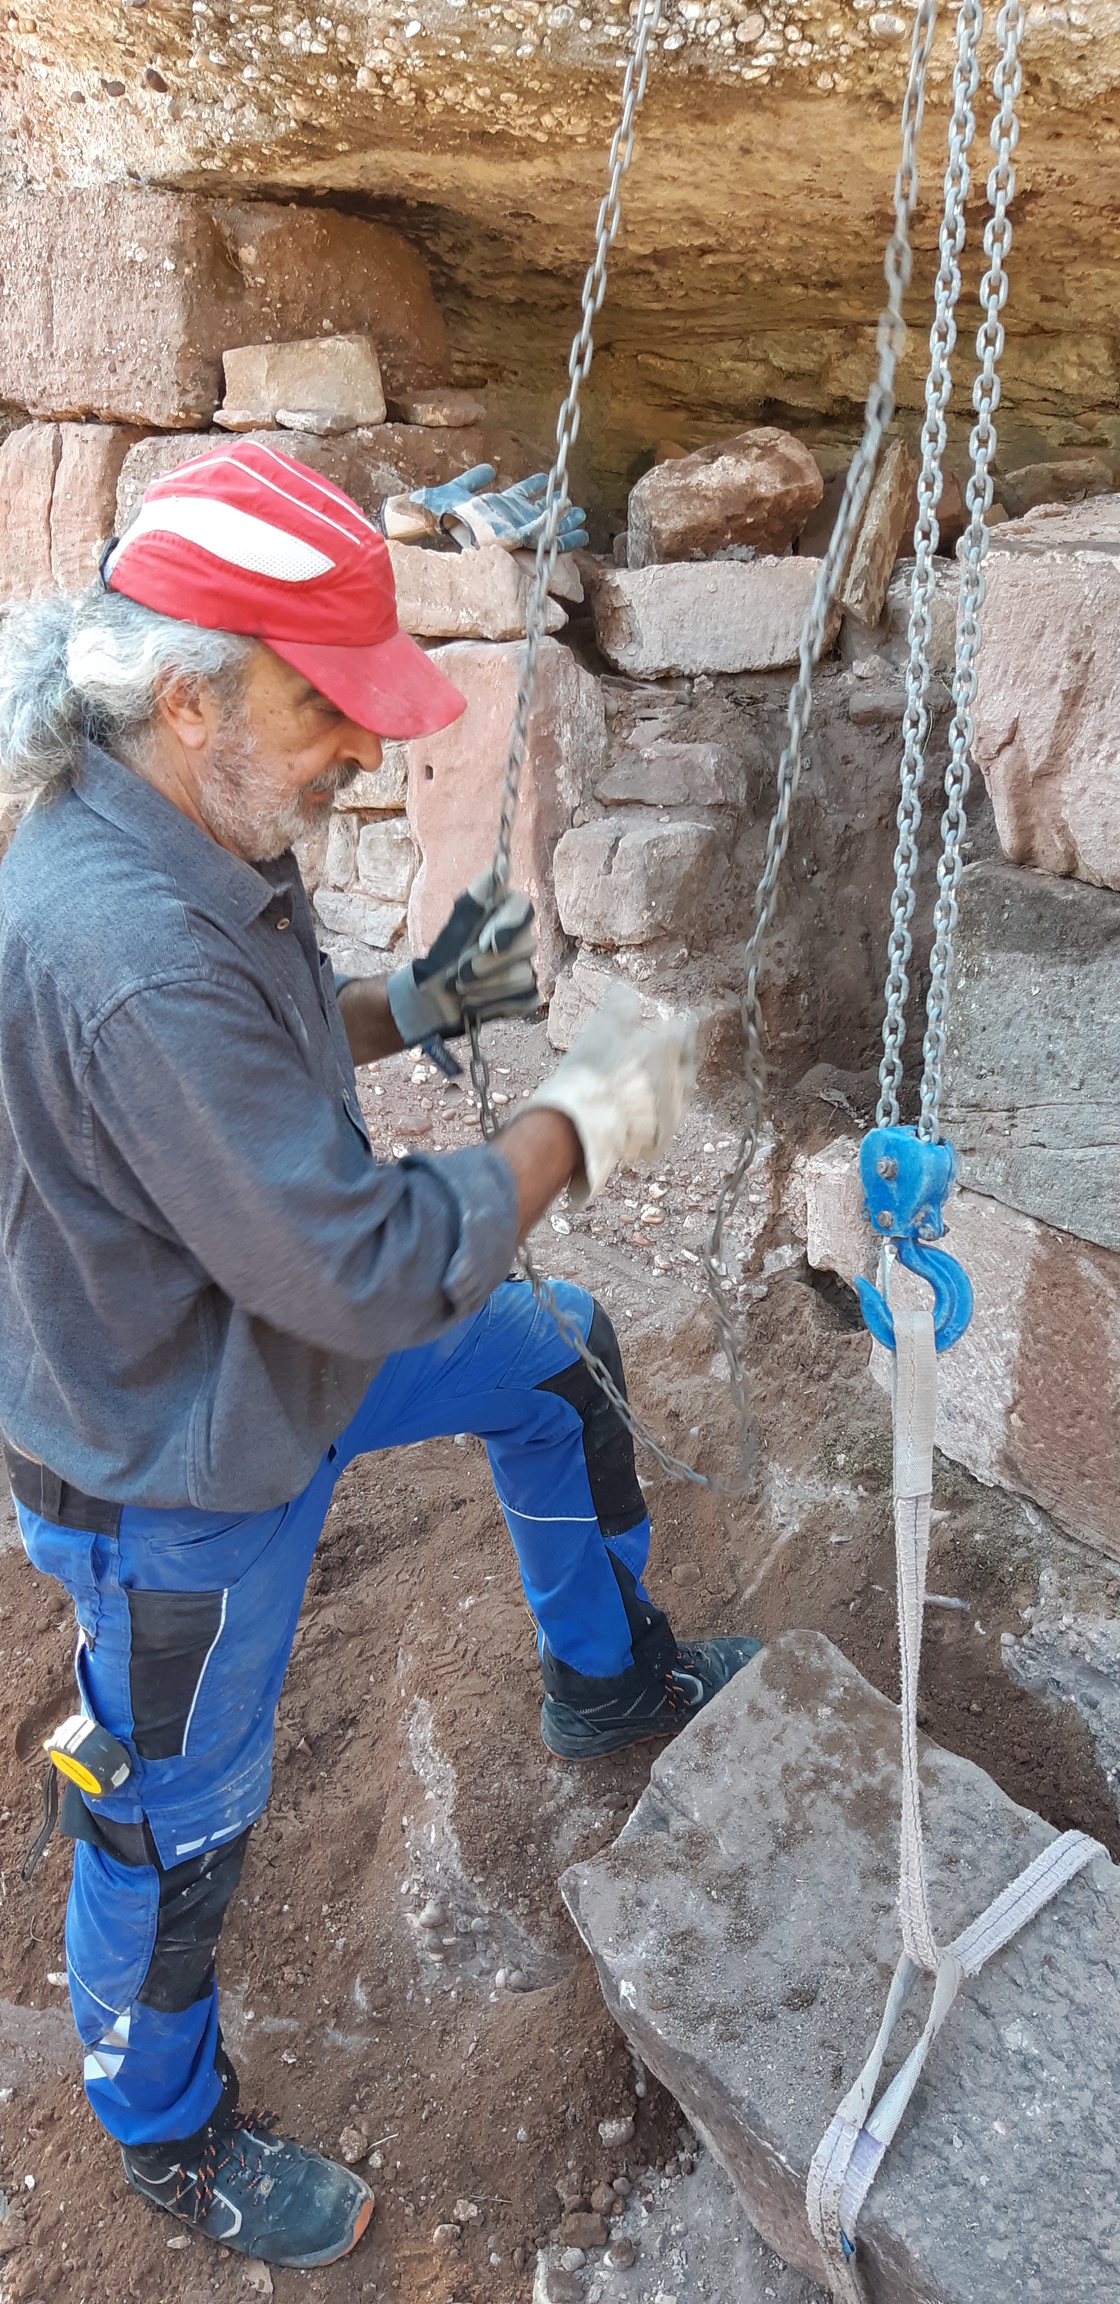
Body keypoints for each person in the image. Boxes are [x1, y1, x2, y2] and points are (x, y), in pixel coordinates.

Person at [0, 441, 760, 2271]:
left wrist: (409, 1006)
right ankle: (163, 2125)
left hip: (270, 1344)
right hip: (180, 1460)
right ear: (188, 696)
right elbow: (369, 1264)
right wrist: (585, 1116)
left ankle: (606, 1679)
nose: (358, 745)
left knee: (557, 1360)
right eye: (324, 706)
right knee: (176, 1822)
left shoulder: (177, 826)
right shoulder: (118, 941)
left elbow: (256, 1061)